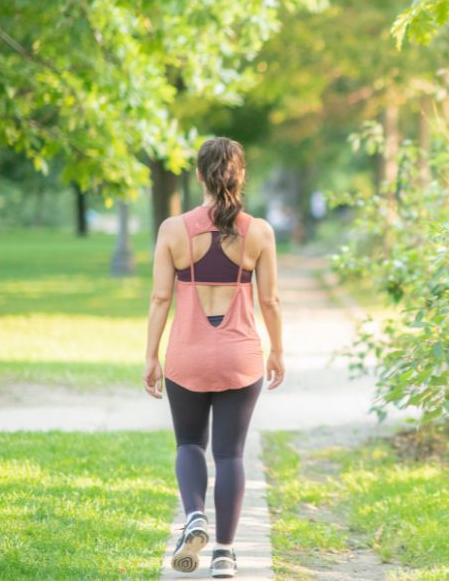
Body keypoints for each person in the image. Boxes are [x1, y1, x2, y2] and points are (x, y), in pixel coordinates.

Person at [142, 137, 286, 578]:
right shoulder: (258, 232)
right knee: (229, 455)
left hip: (187, 355)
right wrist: (277, 350)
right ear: (240, 175)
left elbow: (160, 298)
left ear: (199, 175)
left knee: (189, 444)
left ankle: (195, 517)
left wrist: (151, 356)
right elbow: (271, 302)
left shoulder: (173, 229)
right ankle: (224, 553)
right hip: (240, 359)